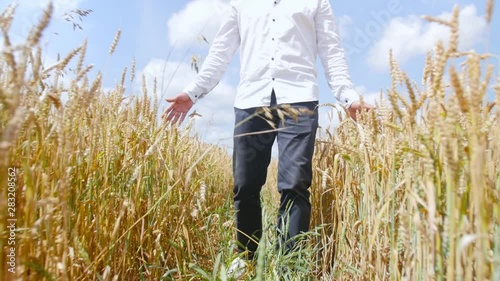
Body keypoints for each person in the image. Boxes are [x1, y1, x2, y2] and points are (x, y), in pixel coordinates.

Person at [163, 0, 374, 275]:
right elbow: (221, 51)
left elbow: (332, 52)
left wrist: (348, 98)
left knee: (295, 183)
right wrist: (193, 93)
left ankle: (290, 266)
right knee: (245, 183)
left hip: (300, 101)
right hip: (252, 101)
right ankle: (247, 258)